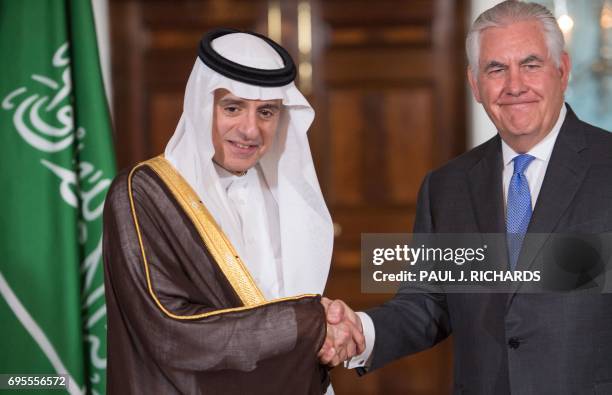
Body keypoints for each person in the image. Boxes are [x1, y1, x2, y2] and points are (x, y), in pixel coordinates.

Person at [320, 1, 612, 393]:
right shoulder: (447, 187)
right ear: (475, 84)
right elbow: (428, 304)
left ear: (562, 70)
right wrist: (361, 331)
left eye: (530, 64)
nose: (514, 85)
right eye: (496, 69)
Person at [103, 28, 337, 394]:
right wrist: (313, 322)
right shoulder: (143, 192)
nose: (250, 129)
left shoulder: (284, 194)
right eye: (232, 108)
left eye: (266, 112)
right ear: (201, 105)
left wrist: (326, 327)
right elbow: (169, 327)